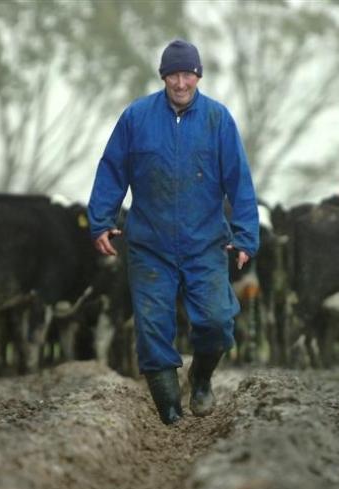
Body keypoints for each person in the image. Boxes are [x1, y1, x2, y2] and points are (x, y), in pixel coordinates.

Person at [87, 39, 259, 425]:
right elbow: (112, 170)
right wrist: (100, 220)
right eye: (173, 74)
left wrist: (246, 235)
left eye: (187, 74)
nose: (180, 82)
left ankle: (200, 378)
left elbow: (240, 181)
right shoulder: (136, 118)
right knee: (151, 328)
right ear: (163, 76)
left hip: (205, 243)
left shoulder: (218, 120)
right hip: (150, 244)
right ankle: (169, 411)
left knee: (216, 320)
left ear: (198, 75)